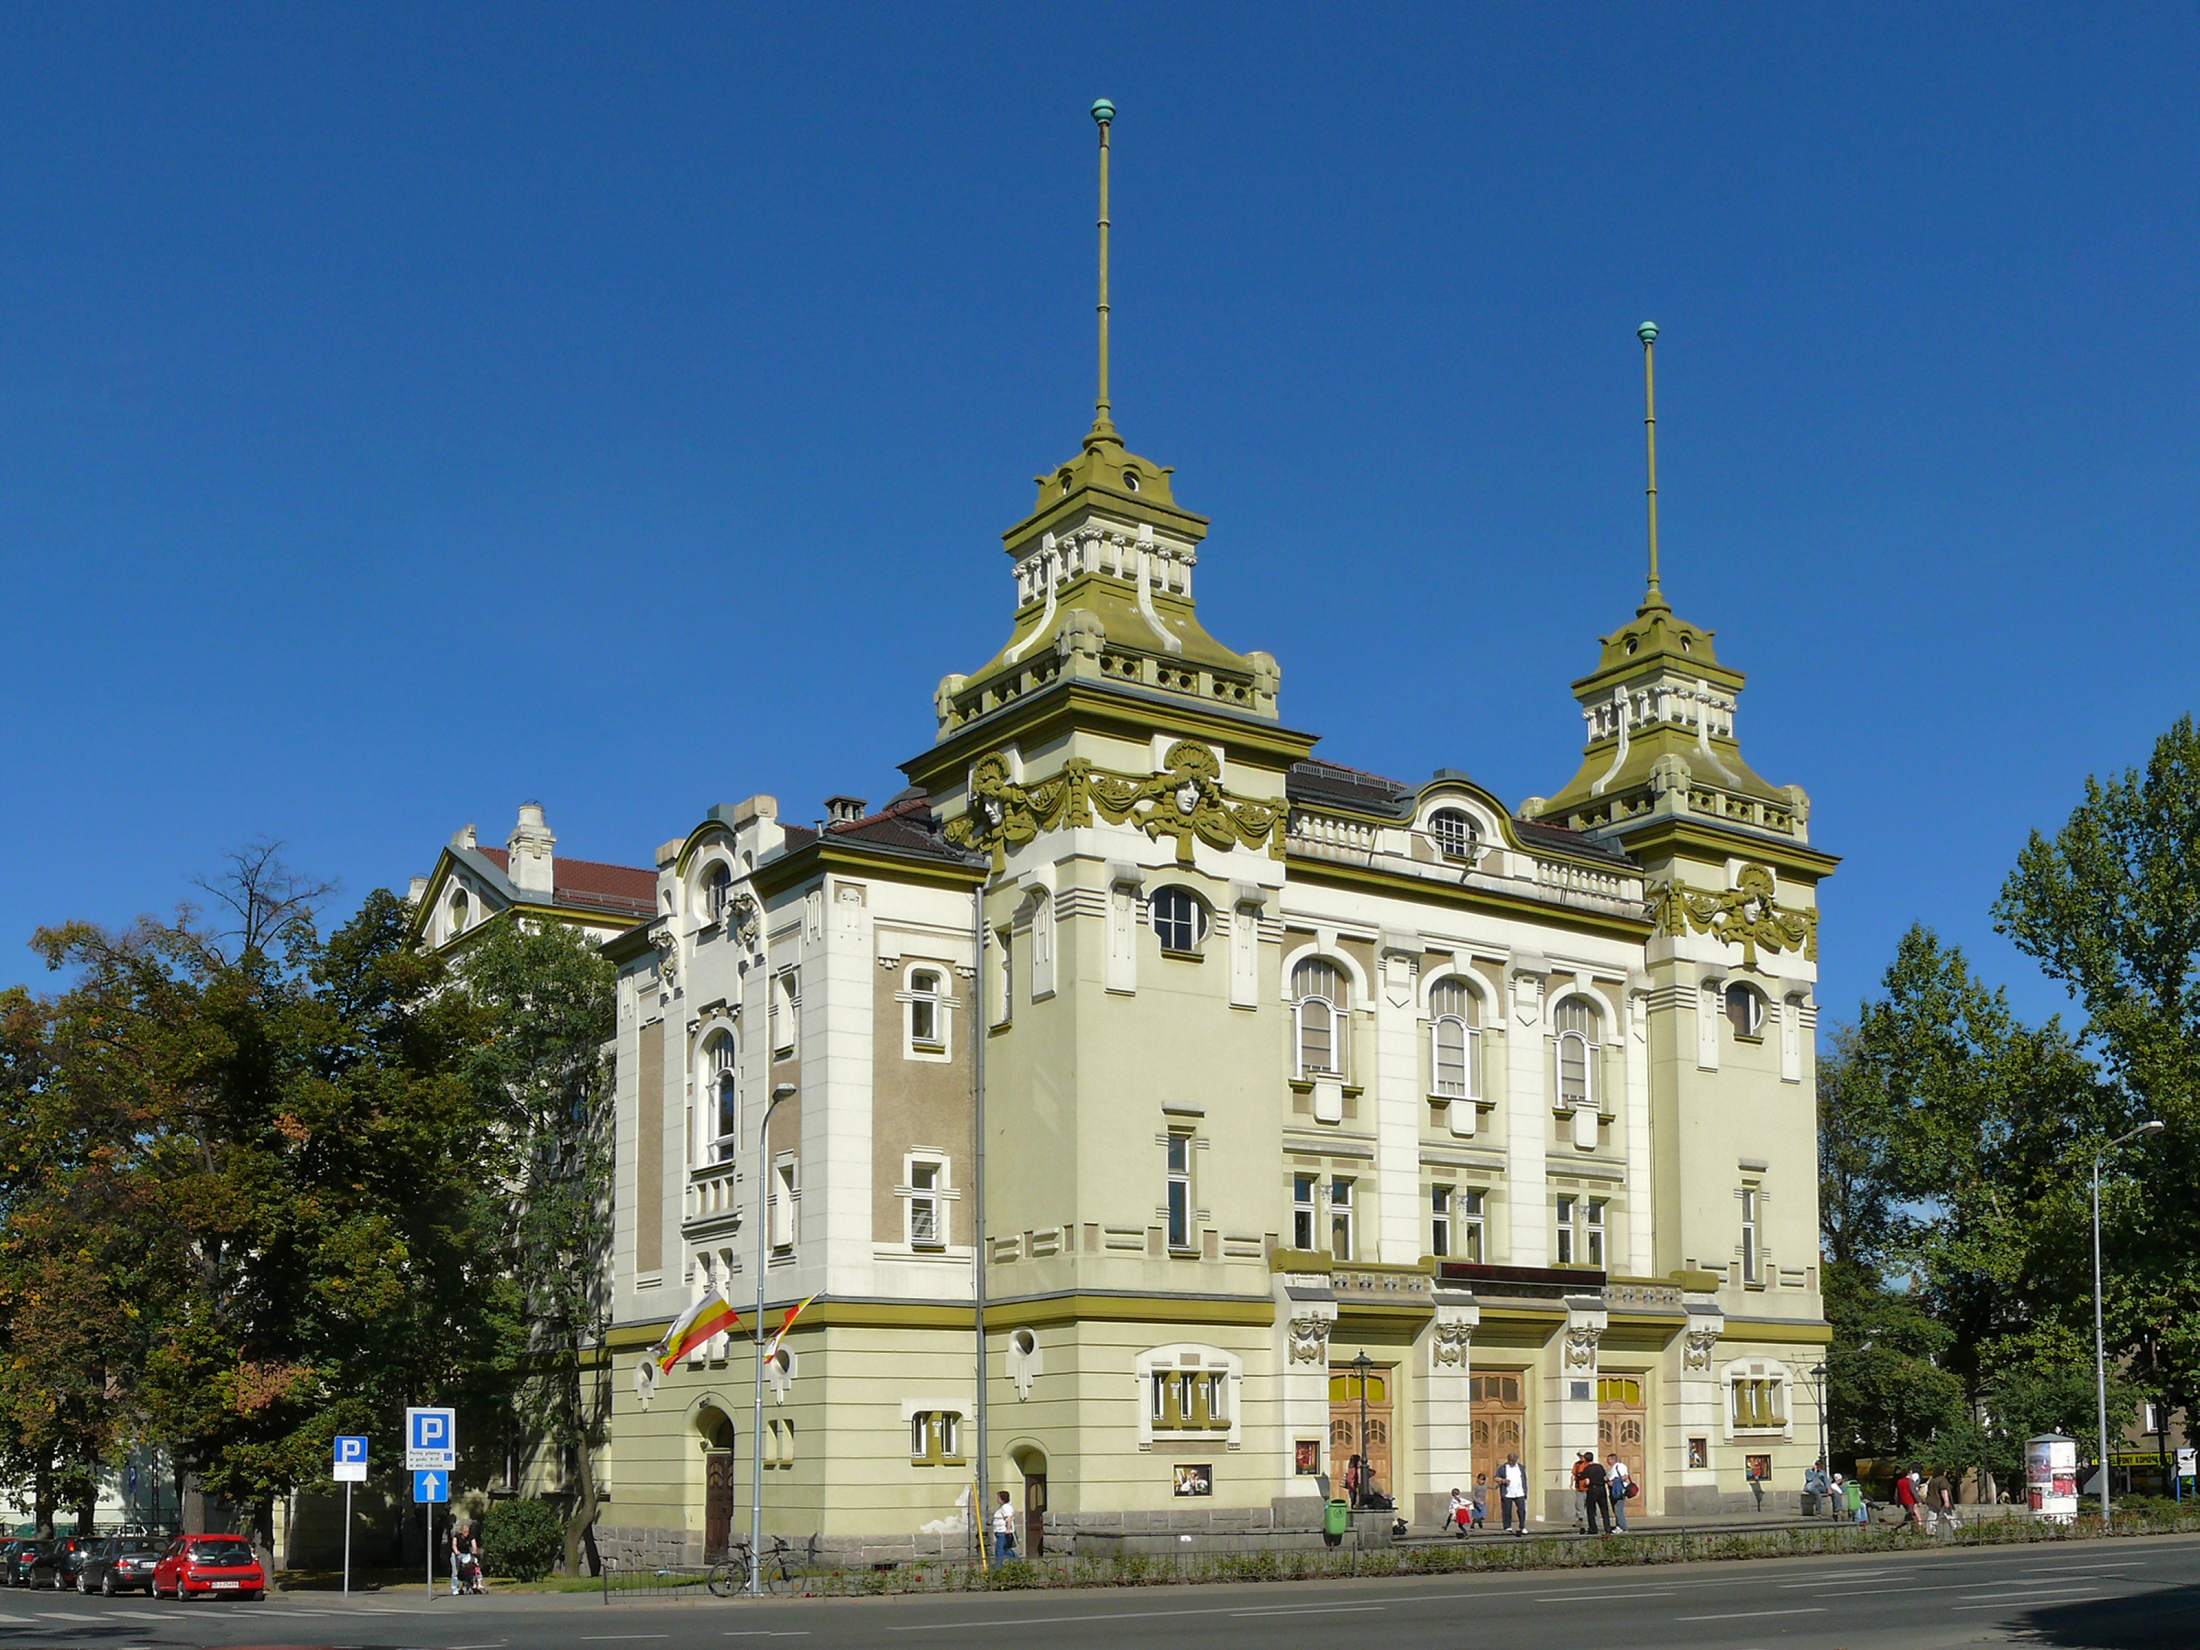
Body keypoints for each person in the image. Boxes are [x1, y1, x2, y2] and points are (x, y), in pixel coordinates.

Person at [1584, 1453, 1613, 1536]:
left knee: (1591, 1510)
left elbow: (1587, 1481)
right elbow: (1605, 1477)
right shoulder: (1599, 1467)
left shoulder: (1587, 1469)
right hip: (1602, 1489)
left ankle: (1593, 1529)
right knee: (1604, 1510)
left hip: (1592, 1490)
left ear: (1585, 1460)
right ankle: (1607, 1528)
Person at [1500, 1451, 1528, 1536]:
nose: (1511, 1462)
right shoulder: (1503, 1468)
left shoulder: (1521, 1468)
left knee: (1521, 1510)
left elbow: (1524, 1480)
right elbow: (1496, 1478)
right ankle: (1507, 1526)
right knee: (1507, 1510)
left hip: (1519, 1492)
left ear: (1516, 1460)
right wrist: (1503, 1480)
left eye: (1513, 1460)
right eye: (1510, 1460)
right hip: (1508, 1492)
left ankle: (1522, 1526)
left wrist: (1525, 1491)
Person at [1607, 1451, 1632, 1532]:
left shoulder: (1619, 1466)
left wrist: (1614, 1482)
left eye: (1609, 1459)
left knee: (1618, 1509)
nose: (1607, 1461)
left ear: (1613, 1459)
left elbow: (1625, 1477)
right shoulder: (1612, 1468)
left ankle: (1623, 1527)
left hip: (1619, 1490)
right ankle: (1619, 1526)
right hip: (1613, 1490)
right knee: (1616, 1509)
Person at [991, 1490, 1017, 1563]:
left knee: (999, 1551)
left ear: (1002, 1498)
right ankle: (1018, 1564)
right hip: (1000, 1532)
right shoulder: (1002, 1507)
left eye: (998, 1497)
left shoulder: (1006, 1507)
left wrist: (1008, 1529)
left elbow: (1009, 1518)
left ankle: (998, 1568)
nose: (997, 1499)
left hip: (1003, 1532)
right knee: (1005, 1550)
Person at [1572, 1451, 1593, 1532]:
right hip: (1579, 1488)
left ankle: (1591, 1519)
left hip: (1588, 1488)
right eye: (1579, 1456)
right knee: (1579, 1505)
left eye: (1582, 1456)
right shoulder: (1577, 1464)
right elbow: (1574, 1474)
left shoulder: (1590, 1464)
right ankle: (1579, 1519)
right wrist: (1571, 1483)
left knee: (1589, 1505)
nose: (1581, 1457)